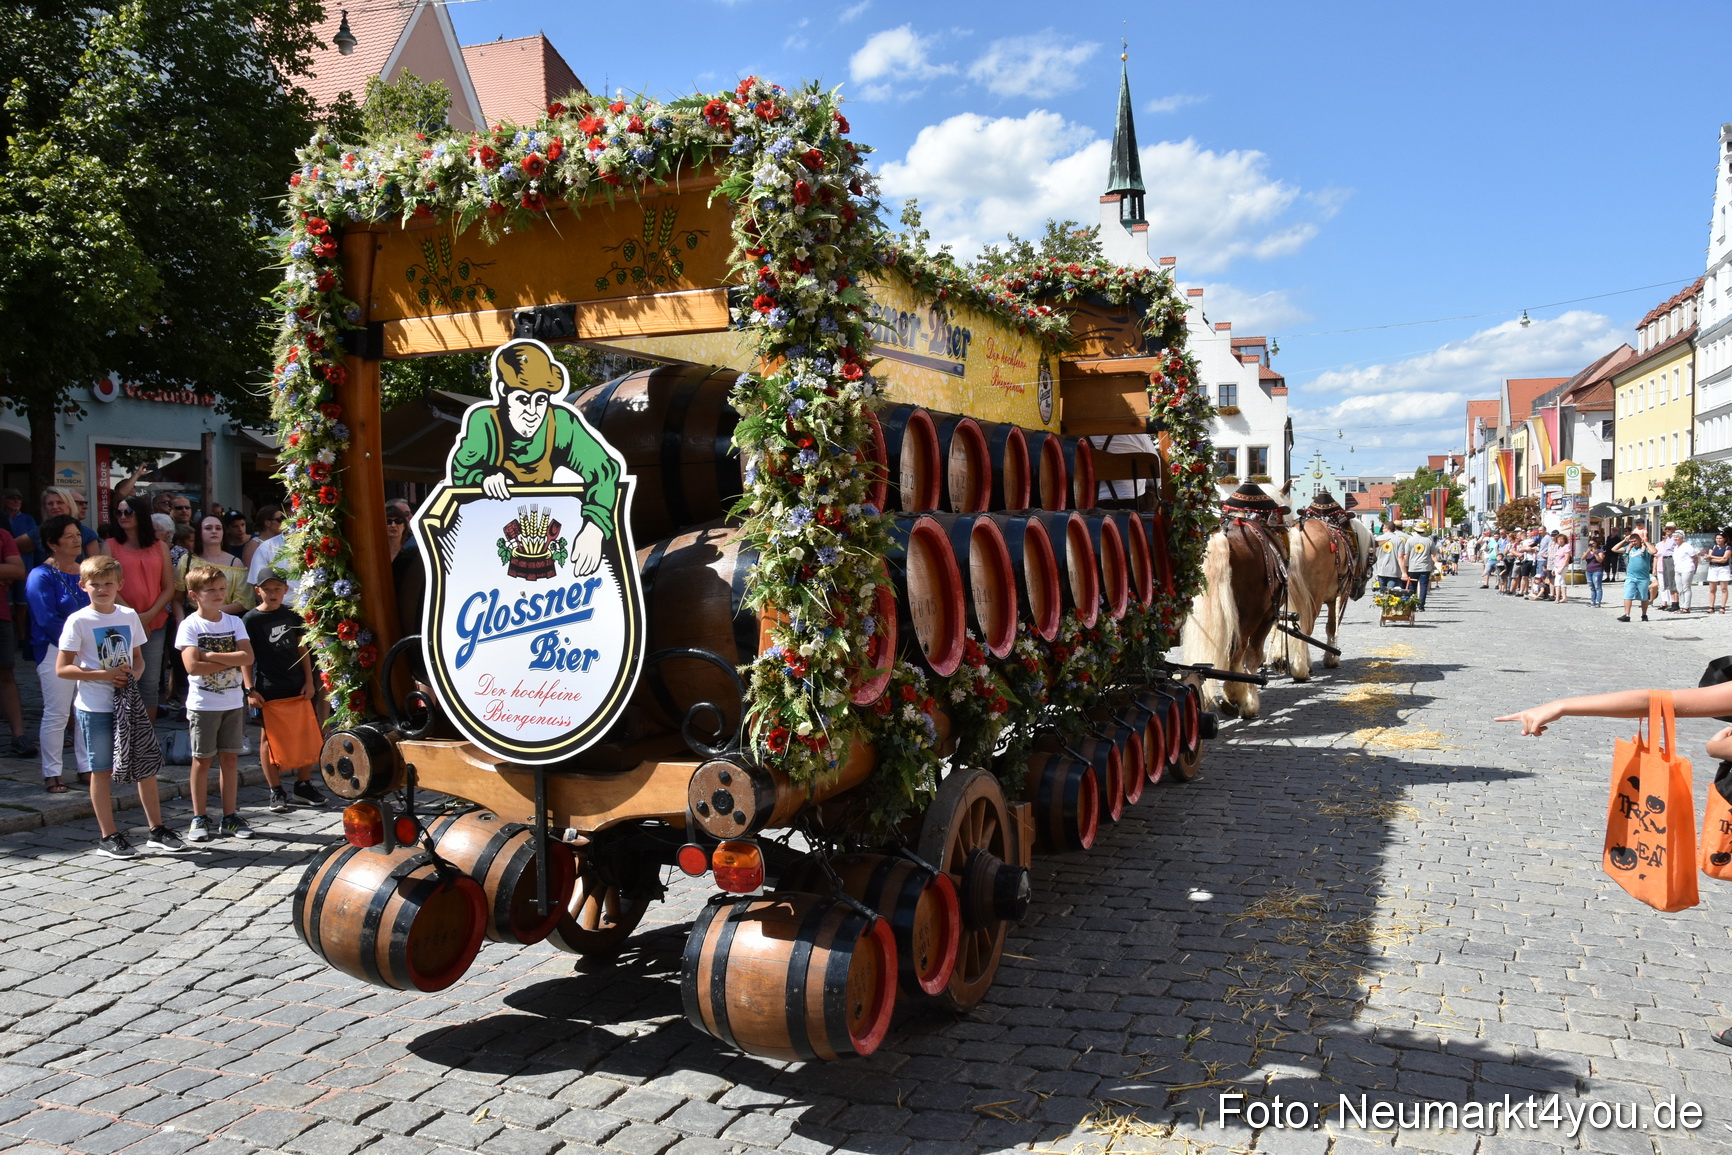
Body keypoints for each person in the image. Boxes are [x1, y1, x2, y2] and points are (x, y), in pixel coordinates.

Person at [449, 338, 620, 575]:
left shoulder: (560, 423)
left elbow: (604, 470)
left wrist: (594, 527)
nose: (532, 412)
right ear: (503, 391)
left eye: (540, 400)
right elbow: (461, 473)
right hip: (490, 538)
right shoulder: (486, 422)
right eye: (522, 399)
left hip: (548, 533)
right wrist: (483, 478)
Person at [56, 555, 183, 857]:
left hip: (128, 704)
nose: (102, 589)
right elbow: (63, 668)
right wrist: (104, 675)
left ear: (119, 585)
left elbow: (137, 659)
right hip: (95, 706)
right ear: (83, 586)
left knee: (144, 767)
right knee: (101, 770)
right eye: (95, 584)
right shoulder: (79, 620)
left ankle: (156, 829)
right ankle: (108, 835)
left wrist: (133, 675)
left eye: (108, 584)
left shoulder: (128, 615)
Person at [176, 565, 256, 842]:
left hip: (232, 702)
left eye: (222, 589)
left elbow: (247, 658)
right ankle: (199, 816)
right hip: (203, 705)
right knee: (202, 761)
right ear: (194, 595)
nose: (218, 594)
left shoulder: (234, 622)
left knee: (230, 760)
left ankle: (229, 816)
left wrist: (208, 655)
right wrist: (229, 659)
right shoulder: (190, 625)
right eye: (210, 590)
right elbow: (192, 667)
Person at [243, 569, 327, 812]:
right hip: (267, 687)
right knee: (269, 739)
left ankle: (303, 785)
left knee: (305, 733)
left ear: (286, 590)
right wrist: (249, 689)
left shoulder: (292, 615)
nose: (272, 593)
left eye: (277, 589)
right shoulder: (250, 620)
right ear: (258, 591)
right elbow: (246, 657)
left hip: (297, 684)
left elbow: (303, 650)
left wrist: (309, 681)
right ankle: (276, 789)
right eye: (267, 589)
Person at [27, 516, 91, 790]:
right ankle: (52, 772)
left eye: (78, 534)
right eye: (69, 536)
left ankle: (87, 767)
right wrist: (74, 645)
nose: (77, 539)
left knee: (86, 710)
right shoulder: (40, 575)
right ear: (53, 544)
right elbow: (46, 618)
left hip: (87, 649)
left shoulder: (86, 572)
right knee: (58, 713)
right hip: (55, 649)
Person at [102, 495, 175, 717]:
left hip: (154, 622)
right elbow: (107, 586)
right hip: (119, 624)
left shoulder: (160, 547)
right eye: (119, 512)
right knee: (119, 680)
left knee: (149, 683)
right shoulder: (109, 546)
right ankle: (121, 733)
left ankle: (147, 735)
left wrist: (147, 617)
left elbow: (168, 588)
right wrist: (135, 619)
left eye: (128, 512)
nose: (122, 516)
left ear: (140, 515)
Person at [178, 515, 254, 619]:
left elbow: (244, 602)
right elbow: (177, 599)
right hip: (192, 618)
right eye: (208, 528)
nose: (214, 531)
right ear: (200, 533)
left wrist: (209, 612)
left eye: (218, 528)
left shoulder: (235, 563)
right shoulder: (187, 560)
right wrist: (180, 622)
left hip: (226, 619)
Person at [0, 523, 33, 759]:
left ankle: (18, 735)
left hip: (0, 615)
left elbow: (18, 569)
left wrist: (7, 572)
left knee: (5, 673)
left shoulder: (3, 535)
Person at [1611, 527, 1656, 622]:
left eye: (1635, 541)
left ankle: (1644, 615)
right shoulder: (1629, 548)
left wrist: (1646, 541)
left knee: (1643, 597)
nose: (1633, 543)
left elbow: (1654, 551)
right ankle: (1627, 615)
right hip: (1631, 577)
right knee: (1628, 595)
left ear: (1639, 540)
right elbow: (1614, 549)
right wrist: (1624, 541)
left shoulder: (1645, 548)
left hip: (1643, 577)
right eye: (1631, 542)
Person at [41, 488, 99, 559]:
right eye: (50, 503)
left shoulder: (87, 533)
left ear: (70, 504)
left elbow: (95, 563)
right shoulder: (37, 532)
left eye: (60, 502)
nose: (55, 507)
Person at [1405, 522, 1436, 609]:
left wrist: (1405, 566)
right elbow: (1433, 554)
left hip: (1413, 567)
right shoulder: (1429, 540)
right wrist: (1434, 565)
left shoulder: (1410, 540)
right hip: (1425, 567)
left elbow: (1406, 555)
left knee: (1412, 586)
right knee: (1423, 586)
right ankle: (1421, 605)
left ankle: (1412, 604)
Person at [1671, 530, 1700, 614]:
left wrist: (1695, 567)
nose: (1675, 538)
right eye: (1674, 537)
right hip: (1678, 569)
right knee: (1679, 589)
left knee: (1686, 588)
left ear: (1682, 538)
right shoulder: (1676, 547)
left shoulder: (1687, 546)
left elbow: (1695, 557)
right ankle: (1682, 606)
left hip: (1687, 568)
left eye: (1677, 537)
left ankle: (1686, 607)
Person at [1705, 532, 1732, 614]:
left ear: (1724, 539)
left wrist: (1712, 557)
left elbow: (1725, 559)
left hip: (1723, 568)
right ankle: (1711, 607)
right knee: (1712, 589)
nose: (1718, 540)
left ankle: (1723, 607)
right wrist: (1718, 559)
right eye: (1717, 538)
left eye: (1720, 538)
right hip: (1713, 568)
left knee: (1724, 588)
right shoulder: (1713, 547)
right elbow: (1708, 558)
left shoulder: (1728, 548)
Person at [1656, 523, 1679, 611]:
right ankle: (1672, 602)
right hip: (1665, 559)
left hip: (1671, 558)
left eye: (1670, 529)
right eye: (1666, 529)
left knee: (1672, 581)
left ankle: (1675, 603)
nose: (1667, 530)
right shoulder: (1668, 538)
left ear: (1674, 529)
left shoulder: (1675, 538)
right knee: (1668, 581)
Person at [1582, 535, 1606, 609]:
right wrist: (1588, 551)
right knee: (1592, 587)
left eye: (1593, 543)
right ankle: (1593, 601)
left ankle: (1598, 602)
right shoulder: (1588, 551)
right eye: (1590, 544)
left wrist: (1595, 554)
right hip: (1589, 570)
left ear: (1596, 543)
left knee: (1597, 586)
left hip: (1597, 570)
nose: (1591, 545)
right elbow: (1583, 558)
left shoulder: (1600, 551)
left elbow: (1600, 560)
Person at [1549, 531, 1572, 604]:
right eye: (1559, 539)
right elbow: (1557, 559)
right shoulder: (1559, 547)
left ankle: (1557, 598)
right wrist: (1554, 568)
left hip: (1562, 566)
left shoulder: (1566, 546)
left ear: (1564, 540)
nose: (1560, 540)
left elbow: (1566, 558)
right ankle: (1564, 597)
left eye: (1562, 539)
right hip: (1557, 566)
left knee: (1557, 581)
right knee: (1562, 582)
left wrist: (1562, 568)